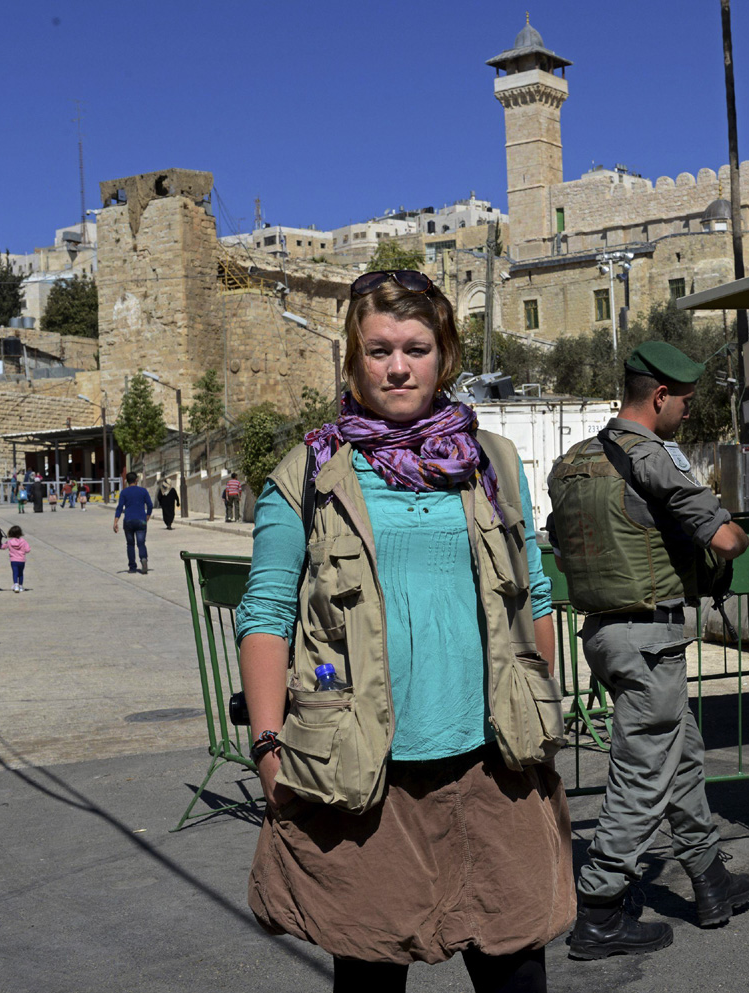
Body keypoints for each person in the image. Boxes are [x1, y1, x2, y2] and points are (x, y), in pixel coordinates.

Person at [237, 269, 574, 991]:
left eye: (416, 347)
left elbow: (534, 594)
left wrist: (536, 710)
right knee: (370, 981)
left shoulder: (494, 463)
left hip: (495, 767)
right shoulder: (308, 473)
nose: (397, 366)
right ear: (354, 361)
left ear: (444, 354)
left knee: (518, 972)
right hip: (365, 777)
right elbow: (266, 615)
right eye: (379, 349)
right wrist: (269, 750)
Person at [548, 340, 749, 959]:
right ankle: (601, 907)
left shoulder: (571, 462)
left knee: (679, 754)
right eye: (685, 402)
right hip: (650, 639)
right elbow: (723, 539)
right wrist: (737, 533)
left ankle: (709, 876)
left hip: (607, 636)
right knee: (644, 772)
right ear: (659, 397)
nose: (688, 413)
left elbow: (564, 546)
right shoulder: (654, 458)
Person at [113, 471, 153, 574]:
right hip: (141, 520)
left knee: (130, 544)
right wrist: (147, 516)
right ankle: (143, 559)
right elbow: (150, 505)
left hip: (128, 521)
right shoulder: (143, 491)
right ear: (136, 480)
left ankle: (132, 567)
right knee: (141, 543)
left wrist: (115, 522)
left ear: (126, 481)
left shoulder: (124, 492)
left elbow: (119, 508)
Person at [0, 525, 31, 592]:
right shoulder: (23, 541)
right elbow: (28, 550)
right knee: (21, 573)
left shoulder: (9, 542)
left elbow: (2, 547)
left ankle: (16, 585)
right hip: (22, 560)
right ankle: (21, 586)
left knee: (15, 573)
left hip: (13, 560)